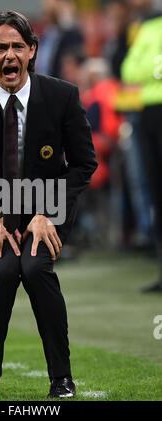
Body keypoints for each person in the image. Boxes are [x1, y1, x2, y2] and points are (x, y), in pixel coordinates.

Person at [0, 10, 97, 399]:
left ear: (32, 51)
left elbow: (83, 163)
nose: (9, 54)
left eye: (17, 46)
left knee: (34, 268)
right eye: (0, 47)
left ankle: (61, 378)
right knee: (4, 272)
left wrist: (48, 213)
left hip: (48, 209)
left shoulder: (63, 96)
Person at [121, 13, 162, 292]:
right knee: (156, 192)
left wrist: (147, 70)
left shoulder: (146, 30)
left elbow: (143, 69)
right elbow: (129, 70)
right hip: (147, 114)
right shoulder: (145, 26)